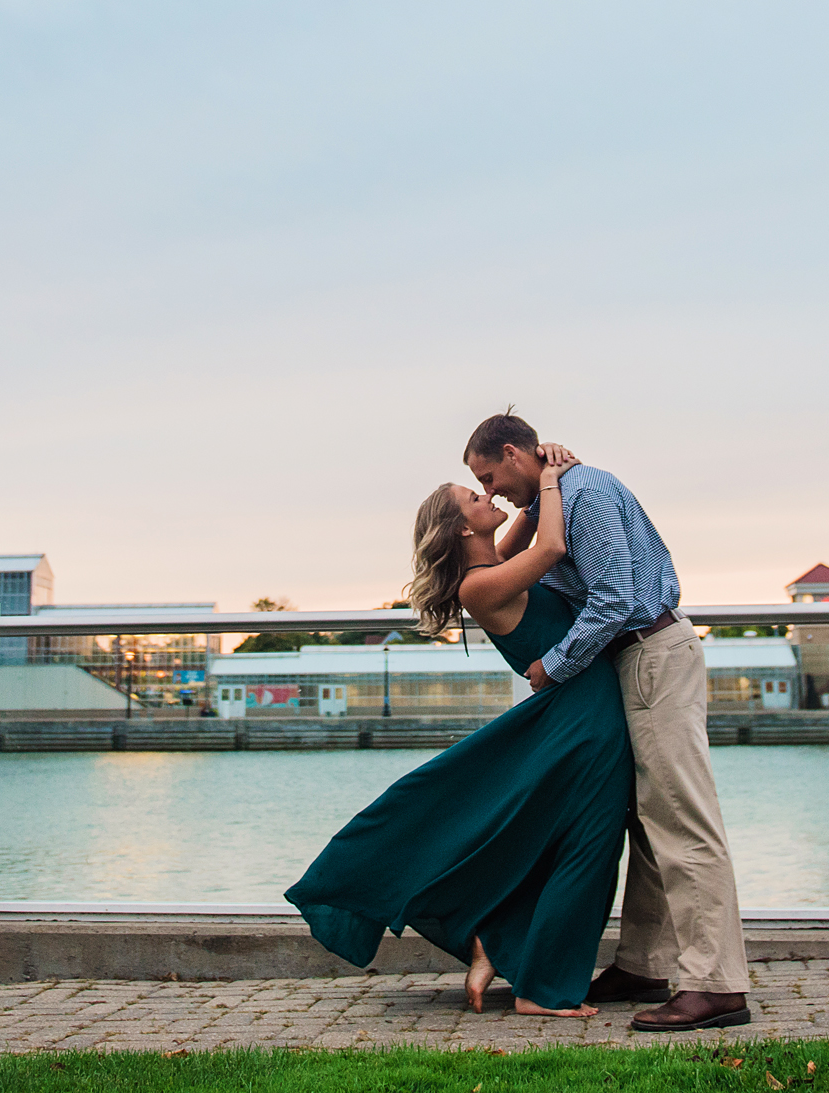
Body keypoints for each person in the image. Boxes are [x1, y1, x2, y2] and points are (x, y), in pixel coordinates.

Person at [286, 446, 633, 1016]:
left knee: (572, 846)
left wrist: (547, 469)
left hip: (579, 714)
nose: (489, 495)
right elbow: (552, 545)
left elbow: (527, 533)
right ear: (459, 527)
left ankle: (496, 944)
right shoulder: (479, 586)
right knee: (588, 851)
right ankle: (540, 991)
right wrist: (550, 479)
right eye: (476, 496)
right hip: (582, 721)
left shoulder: (492, 565)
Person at [466, 411, 751, 1033]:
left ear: (515, 454)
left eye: (489, 475)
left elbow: (616, 598)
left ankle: (717, 985)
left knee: (683, 821)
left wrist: (555, 667)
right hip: (639, 658)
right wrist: (542, 486)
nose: (490, 491)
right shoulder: (559, 495)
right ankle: (645, 964)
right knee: (651, 823)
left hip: (650, 652)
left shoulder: (582, 492)